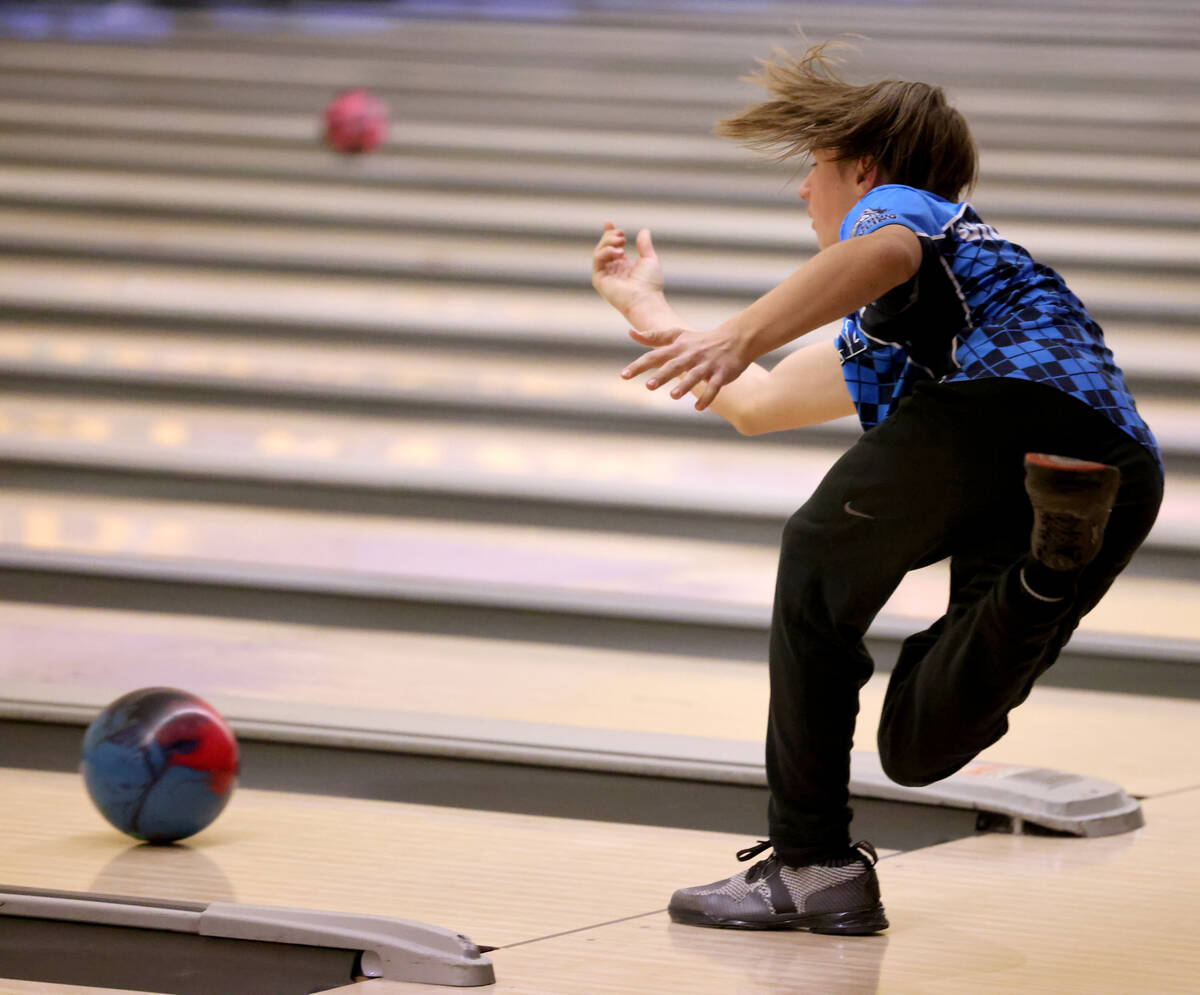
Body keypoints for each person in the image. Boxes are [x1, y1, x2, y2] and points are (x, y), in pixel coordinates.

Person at [590, 41, 1163, 935]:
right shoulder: (917, 309)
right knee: (920, 743)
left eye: (814, 170)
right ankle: (1050, 566)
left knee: (816, 552)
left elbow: (883, 250)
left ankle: (813, 861)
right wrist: (646, 310)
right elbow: (764, 403)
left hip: (1005, 407)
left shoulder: (908, 213)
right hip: (1106, 474)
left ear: (862, 168)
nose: (802, 192)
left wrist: (739, 331)